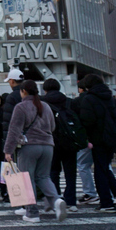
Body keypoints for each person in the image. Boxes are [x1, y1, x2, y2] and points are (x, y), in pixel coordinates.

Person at [4, 80, 67, 223]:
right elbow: (52, 127)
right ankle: (56, 201)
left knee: (27, 178)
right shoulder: (45, 106)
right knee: (44, 176)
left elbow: (14, 130)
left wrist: (8, 150)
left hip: (29, 146)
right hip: (48, 145)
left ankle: (32, 212)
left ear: (23, 91)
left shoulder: (21, 107)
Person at [78, 74, 116, 212]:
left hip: (98, 138)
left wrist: (87, 136)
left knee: (100, 170)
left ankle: (107, 202)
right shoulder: (110, 98)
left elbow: (87, 120)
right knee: (105, 166)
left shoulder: (89, 98)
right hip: (112, 137)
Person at [40, 78, 78, 211]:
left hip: (50, 141)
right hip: (69, 141)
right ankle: (71, 201)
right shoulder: (69, 102)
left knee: (52, 171)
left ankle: (55, 200)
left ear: (45, 89)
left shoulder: (42, 103)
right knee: (70, 172)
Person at [71, 80, 98, 205]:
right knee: (104, 165)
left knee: (82, 164)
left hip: (85, 138)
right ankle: (112, 191)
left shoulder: (77, 101)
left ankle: (90, 192)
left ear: (81, 89)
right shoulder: (100, 99)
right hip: (100, 137)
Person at [2, 68, 25, 138]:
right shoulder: (33, 94)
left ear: (12, 81)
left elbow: (8, 119)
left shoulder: (11, 97)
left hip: (17, 135)